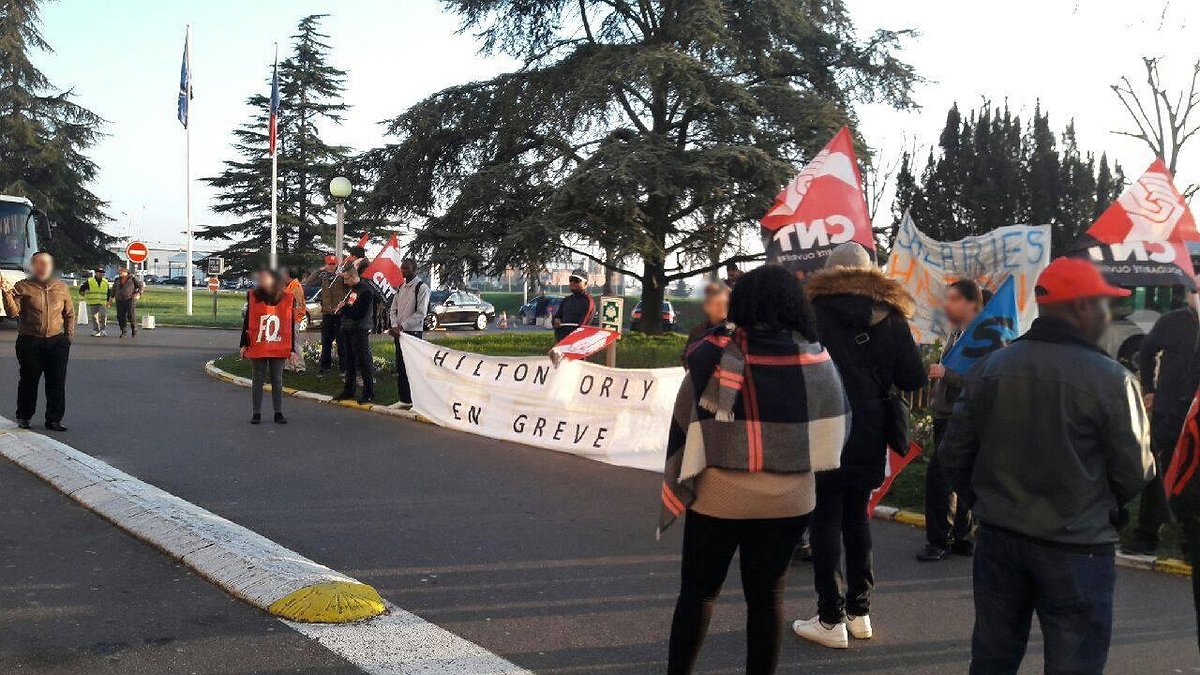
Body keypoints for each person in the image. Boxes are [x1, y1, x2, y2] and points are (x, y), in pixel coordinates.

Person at [941, 257, 1154, 674]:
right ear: (1081, 309)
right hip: (1077, 547)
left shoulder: (990, 368)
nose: (1108, 315)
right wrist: (1102, 508)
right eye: (1103, 305)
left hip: (1000, 540)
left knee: (992, 659)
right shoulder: (1113, 380)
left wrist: (986, 501)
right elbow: (1135, 470)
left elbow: (953, 455)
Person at [661, 264, 850, 675]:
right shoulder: (816, 356)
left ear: (741, 301)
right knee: (767, 598)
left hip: (718, 496)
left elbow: (684, 422)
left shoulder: (710, 353)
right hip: (790, 497)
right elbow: (838, 425)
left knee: (698, 593)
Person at [793, 241, 926, 649]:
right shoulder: (893, 316)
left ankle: (829, 617)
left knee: (825, 520)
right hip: (871, 424)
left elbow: (794, 372)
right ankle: (859, 611)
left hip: (824, 423)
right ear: (871, 273)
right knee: (858, 518)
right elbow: (913, 378)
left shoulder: (810, 314)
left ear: (829, 274)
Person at [918, 279, 986, 562]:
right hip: (947, 413)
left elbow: (980, 378)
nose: (947, 305)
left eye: (954, 299)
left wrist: (947, 374)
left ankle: (939, 540)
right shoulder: (957, 333)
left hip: (962, 414)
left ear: (971, 303)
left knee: (940, 476)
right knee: (958, 474)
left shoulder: (981, 336)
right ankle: (960, 536)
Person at [1127, 292, 1200, 554]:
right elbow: (1146, 351)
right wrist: (1149, 388)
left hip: (1195, 416)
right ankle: (1146, 534)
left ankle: (1187, 537)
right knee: (1156, 472)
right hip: (1169, 411)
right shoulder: (1172, 322)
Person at [0, 251, 75, 431]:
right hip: (30, 341)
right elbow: (12, 313)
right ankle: (24, 416)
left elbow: (70, 314)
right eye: (39, 263)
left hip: (57, 342)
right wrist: (6, 292)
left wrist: (67, 338)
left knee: (56, 382)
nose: (43, 267)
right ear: (33, 266)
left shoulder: (61, 287)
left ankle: (54, 419)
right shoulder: (23, 286)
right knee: (29, 380)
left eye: (46, 263)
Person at [240, 268, 293, 425]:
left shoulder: (286, 298)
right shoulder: (254, 296)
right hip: (258, 343)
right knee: (258, 377)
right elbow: (247, 321)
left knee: (277, 378)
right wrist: (243, 343)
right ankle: (256, 412)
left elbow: (289, 322)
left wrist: (291, 348)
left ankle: (278, 412)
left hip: (278, 343)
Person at [388, 258, 430, 409]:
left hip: (413, 333)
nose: (403, 271)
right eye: (402, 268)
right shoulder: (400, 287)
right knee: (401, 367)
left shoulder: (421, 288)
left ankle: (417, 401)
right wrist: (394, 326)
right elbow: (393, 309)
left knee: (414, 368)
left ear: (414, 270)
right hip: (399, 333)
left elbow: (421, 313)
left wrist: (403, 326)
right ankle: (404, 399)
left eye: (406, 269)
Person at [333, 259, 377, 404]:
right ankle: (349, 389)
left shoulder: (365, 291)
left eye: (346, 279)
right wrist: (344, 309)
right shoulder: (353, 290)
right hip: (348, 329)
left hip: (359, 330)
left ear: (353, 277)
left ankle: (368, 392)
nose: (344, 282)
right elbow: (351, 308)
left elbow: (358, 313)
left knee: (363, 363)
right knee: (349, 361)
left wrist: (344, 308)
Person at [305, 255, 348, 375]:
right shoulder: (323, 277)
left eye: (333, 264)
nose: (331, 266)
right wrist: (320, 270)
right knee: (326, 342)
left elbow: (350, 285)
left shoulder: (341, 276)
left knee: (341, 343)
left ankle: (344, 368)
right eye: (329, 264)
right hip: (327, 313)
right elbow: (309, 282)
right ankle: (325, 367)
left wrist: (342, 274)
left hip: (339, 314)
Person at [684, 280, 730, 348]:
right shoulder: (697, 332)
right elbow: (686, 355)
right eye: (717, 304)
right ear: (707, 306)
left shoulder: (733, 333)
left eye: (725, 304)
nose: (722, 308)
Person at [552, 273, 595, 341]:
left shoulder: (588, 301)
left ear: (585, 284)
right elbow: (557, 316)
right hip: (562, 340)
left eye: (576, 280)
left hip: (577, 342)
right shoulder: (566, 300)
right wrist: (556, 320)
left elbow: (584, 324)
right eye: (571, 280)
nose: (572, 283)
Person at [282, 267, 307, 373]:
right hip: (287, 319)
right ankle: (289, 365)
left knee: (295, 344)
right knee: (287, 343)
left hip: (293, 319)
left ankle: (300, 366)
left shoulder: (295, 286)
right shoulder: (289, 285)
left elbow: (296, 304)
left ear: (288, 275)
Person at [109, 267, 144, 338]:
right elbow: (113, 290)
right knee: (120, 316)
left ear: (126, 272)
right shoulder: (117, 280)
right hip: (119, 300)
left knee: (130, 315)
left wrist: (138, 294)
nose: (119, 273)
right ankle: (123, 331)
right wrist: (110, 299)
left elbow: (141, 286)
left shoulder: (132, 278)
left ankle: (134, 328)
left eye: (121, 271)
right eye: (119, 271)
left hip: (130, 299)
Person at [80, 267, 110, 337]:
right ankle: (96, 330)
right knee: (94, 317)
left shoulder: (105, 281)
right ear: (96, 273)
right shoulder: (90, 281)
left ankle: (103, 330)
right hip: (93, 301)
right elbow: (83, 288)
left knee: (103, 315)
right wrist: (82, 293)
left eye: (102, 273)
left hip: (103, 301)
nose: (101, 274)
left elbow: (108, 291)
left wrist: (109, 300)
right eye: (100, 272)